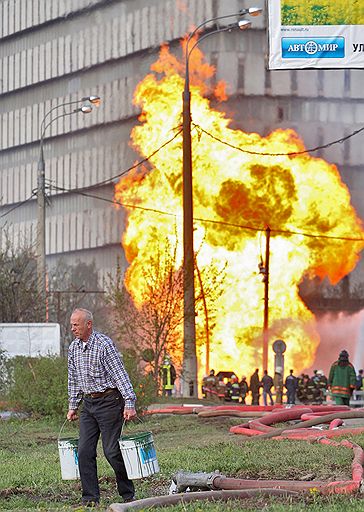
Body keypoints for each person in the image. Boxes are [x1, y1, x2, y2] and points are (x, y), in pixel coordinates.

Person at [67, 308, 137, 507]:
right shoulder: (73, 348)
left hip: (109, 402)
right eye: (71, 324)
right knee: (84, 451)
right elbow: (73, 380)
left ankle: (127, 493)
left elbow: (120, 375)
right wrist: (73, 406)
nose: (73, 328)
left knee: (111, 451)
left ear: (88, 324)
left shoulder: (103, 344)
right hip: (88, 405)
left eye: (76, 324)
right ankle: (90, 498)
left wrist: (129, 403)